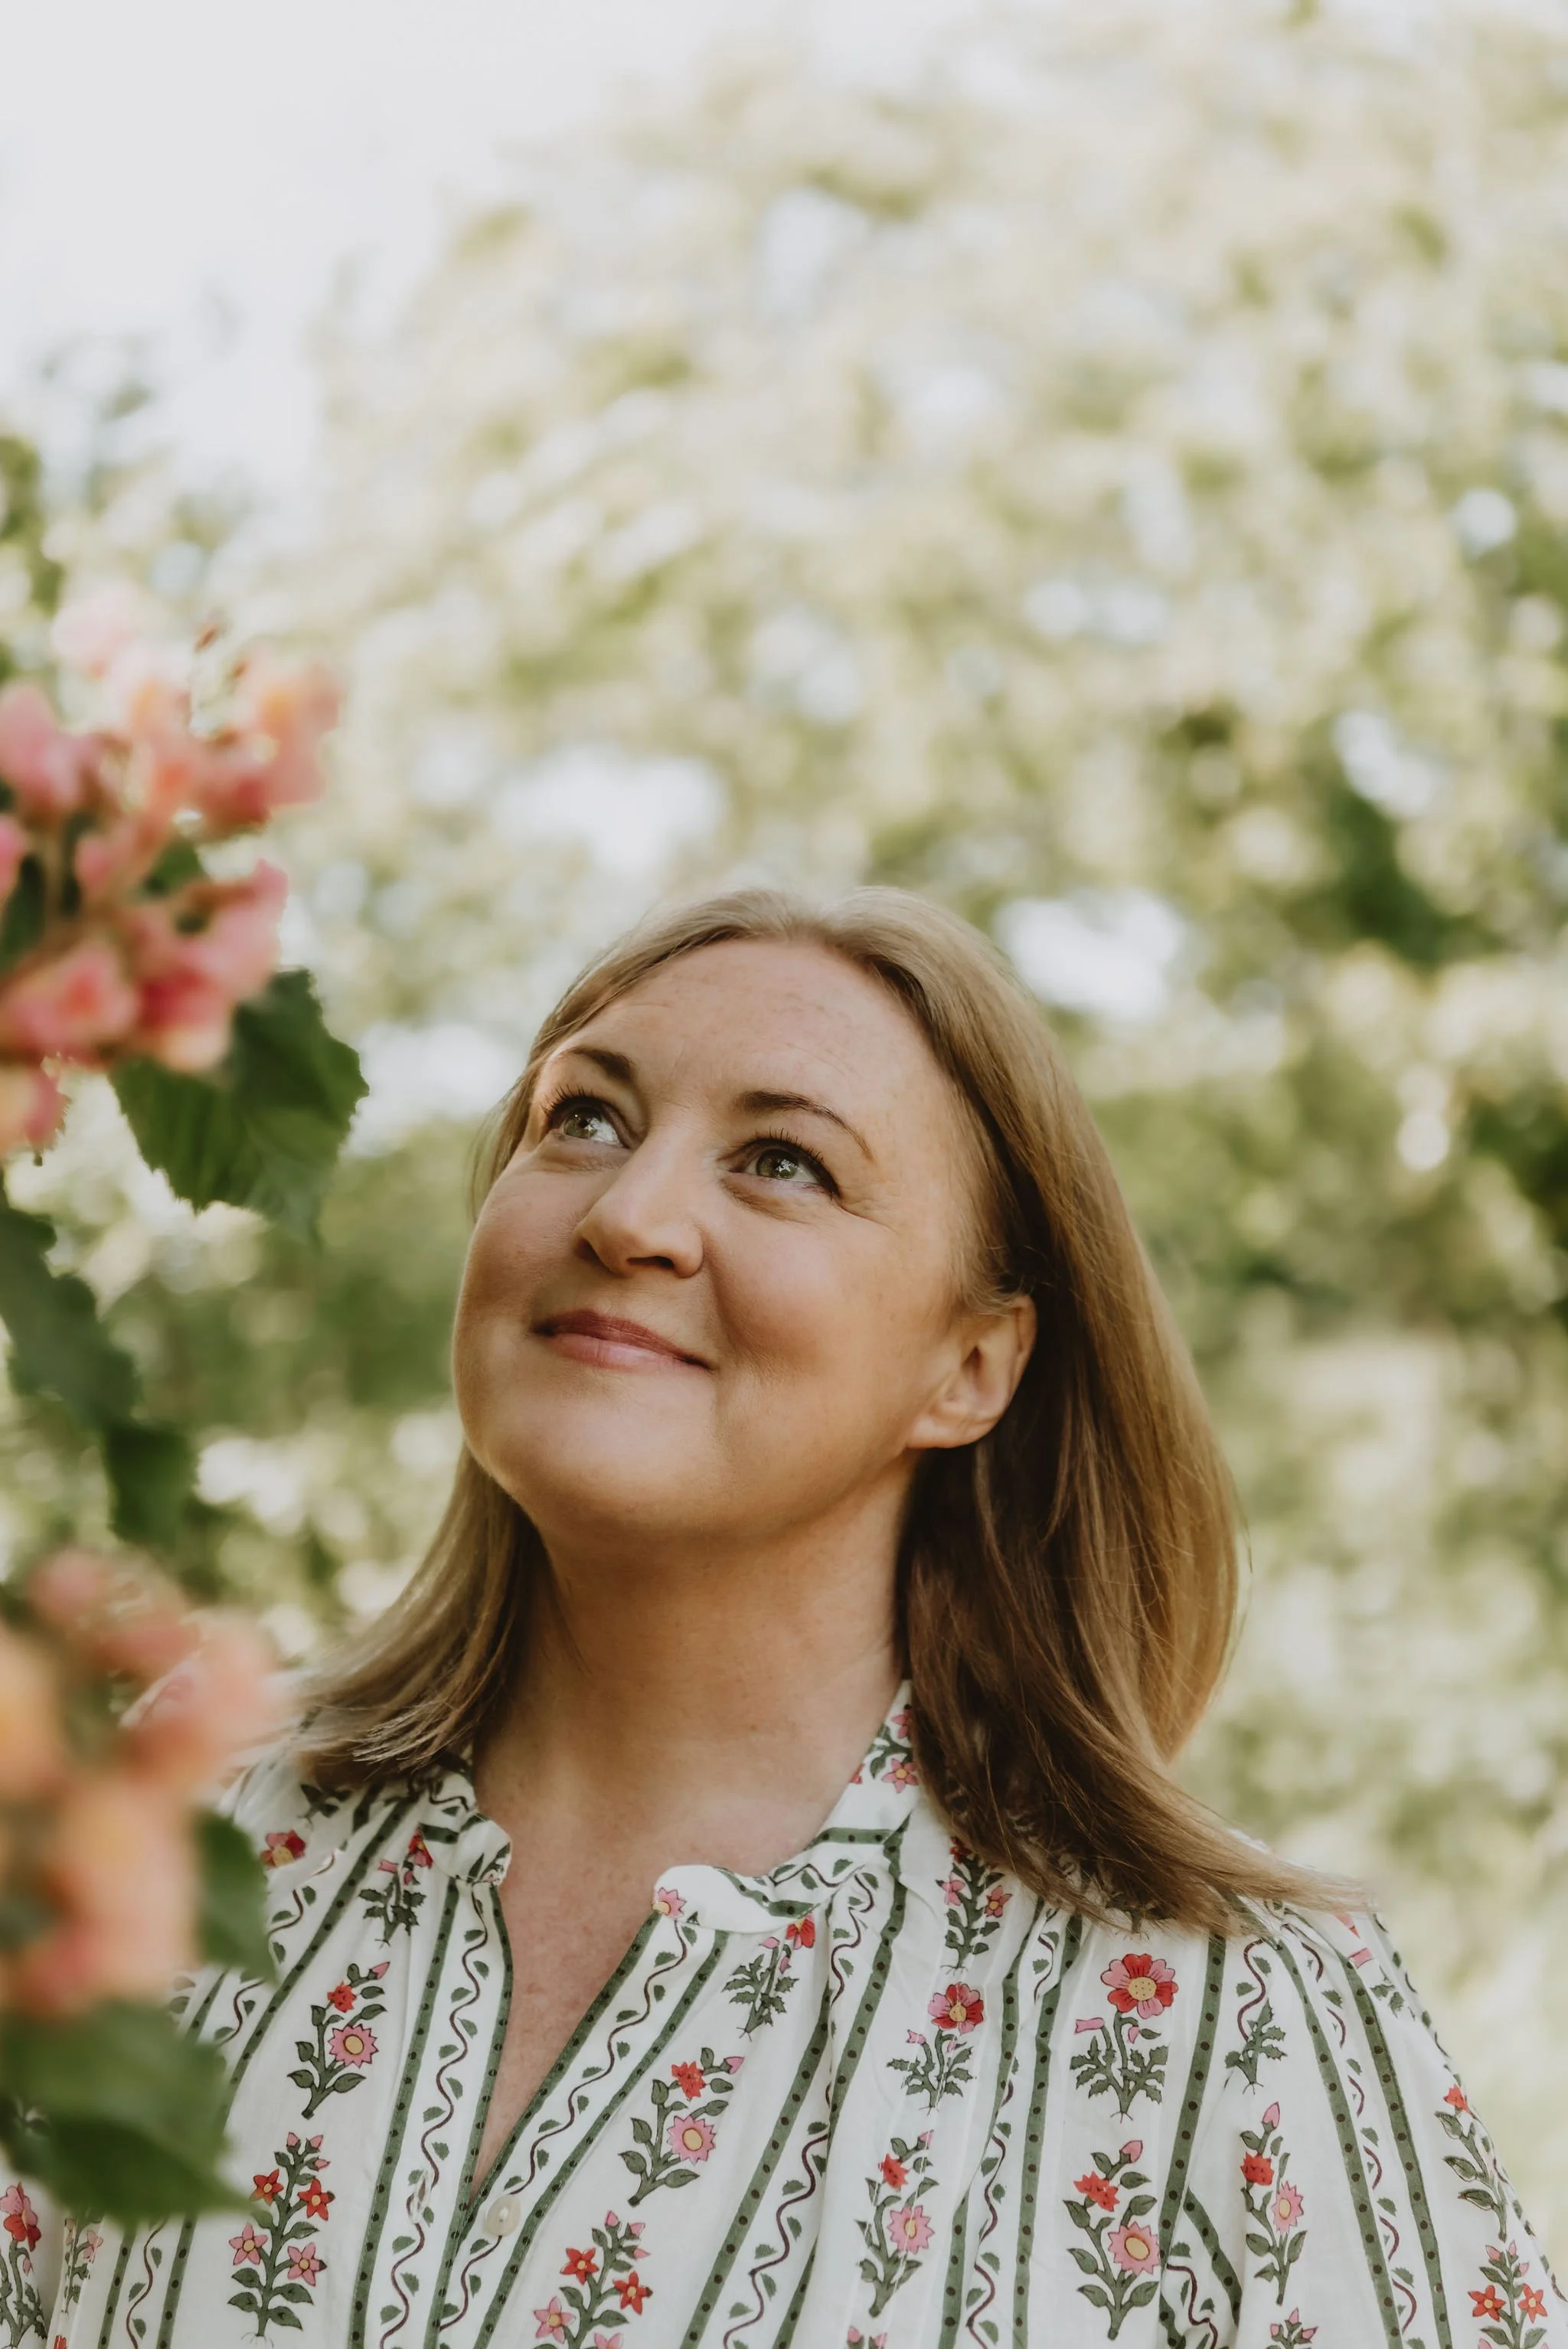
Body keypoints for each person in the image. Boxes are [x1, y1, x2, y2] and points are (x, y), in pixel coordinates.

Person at [28, 887, 1562, 2346]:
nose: (630, 1212)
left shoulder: (1228, 2016)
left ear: (968, 1365)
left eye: (783, 1162)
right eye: (584, 1117)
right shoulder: (172, 1819)